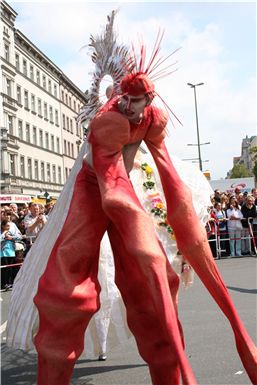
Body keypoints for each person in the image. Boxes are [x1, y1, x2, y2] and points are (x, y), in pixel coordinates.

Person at [7, 31, 257, 385]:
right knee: (71, 285)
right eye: (127, 98)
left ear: (148, 100)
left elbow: (172, 184)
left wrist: (190, 241)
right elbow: (114, 193)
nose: (131, 106)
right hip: (93, 187)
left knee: (151, 292)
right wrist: (150, 254)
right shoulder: (108, 122)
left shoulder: (153, 119)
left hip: (127, 183)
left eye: (138, 101)